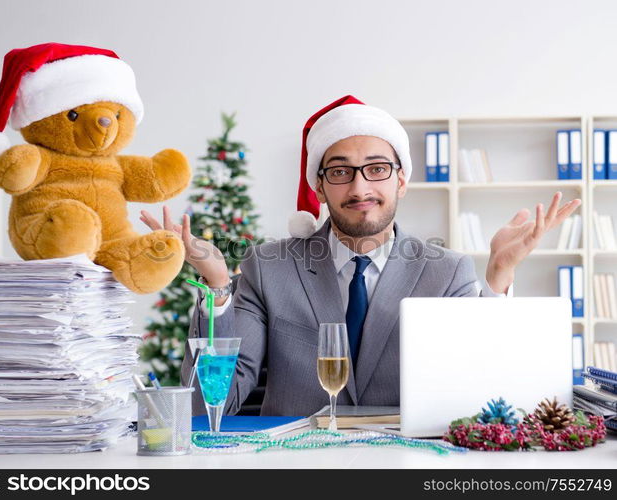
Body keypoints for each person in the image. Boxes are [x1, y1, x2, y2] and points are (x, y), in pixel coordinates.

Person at [141, 95, 581, 416]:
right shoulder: (267, 268)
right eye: (340, 172)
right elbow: (208, 406)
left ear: (401, 181)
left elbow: (485, 388)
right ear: (320, 187)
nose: (359, 188)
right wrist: (218, 289)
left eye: (376, 169)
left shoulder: (448, 272)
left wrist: (499, 274)